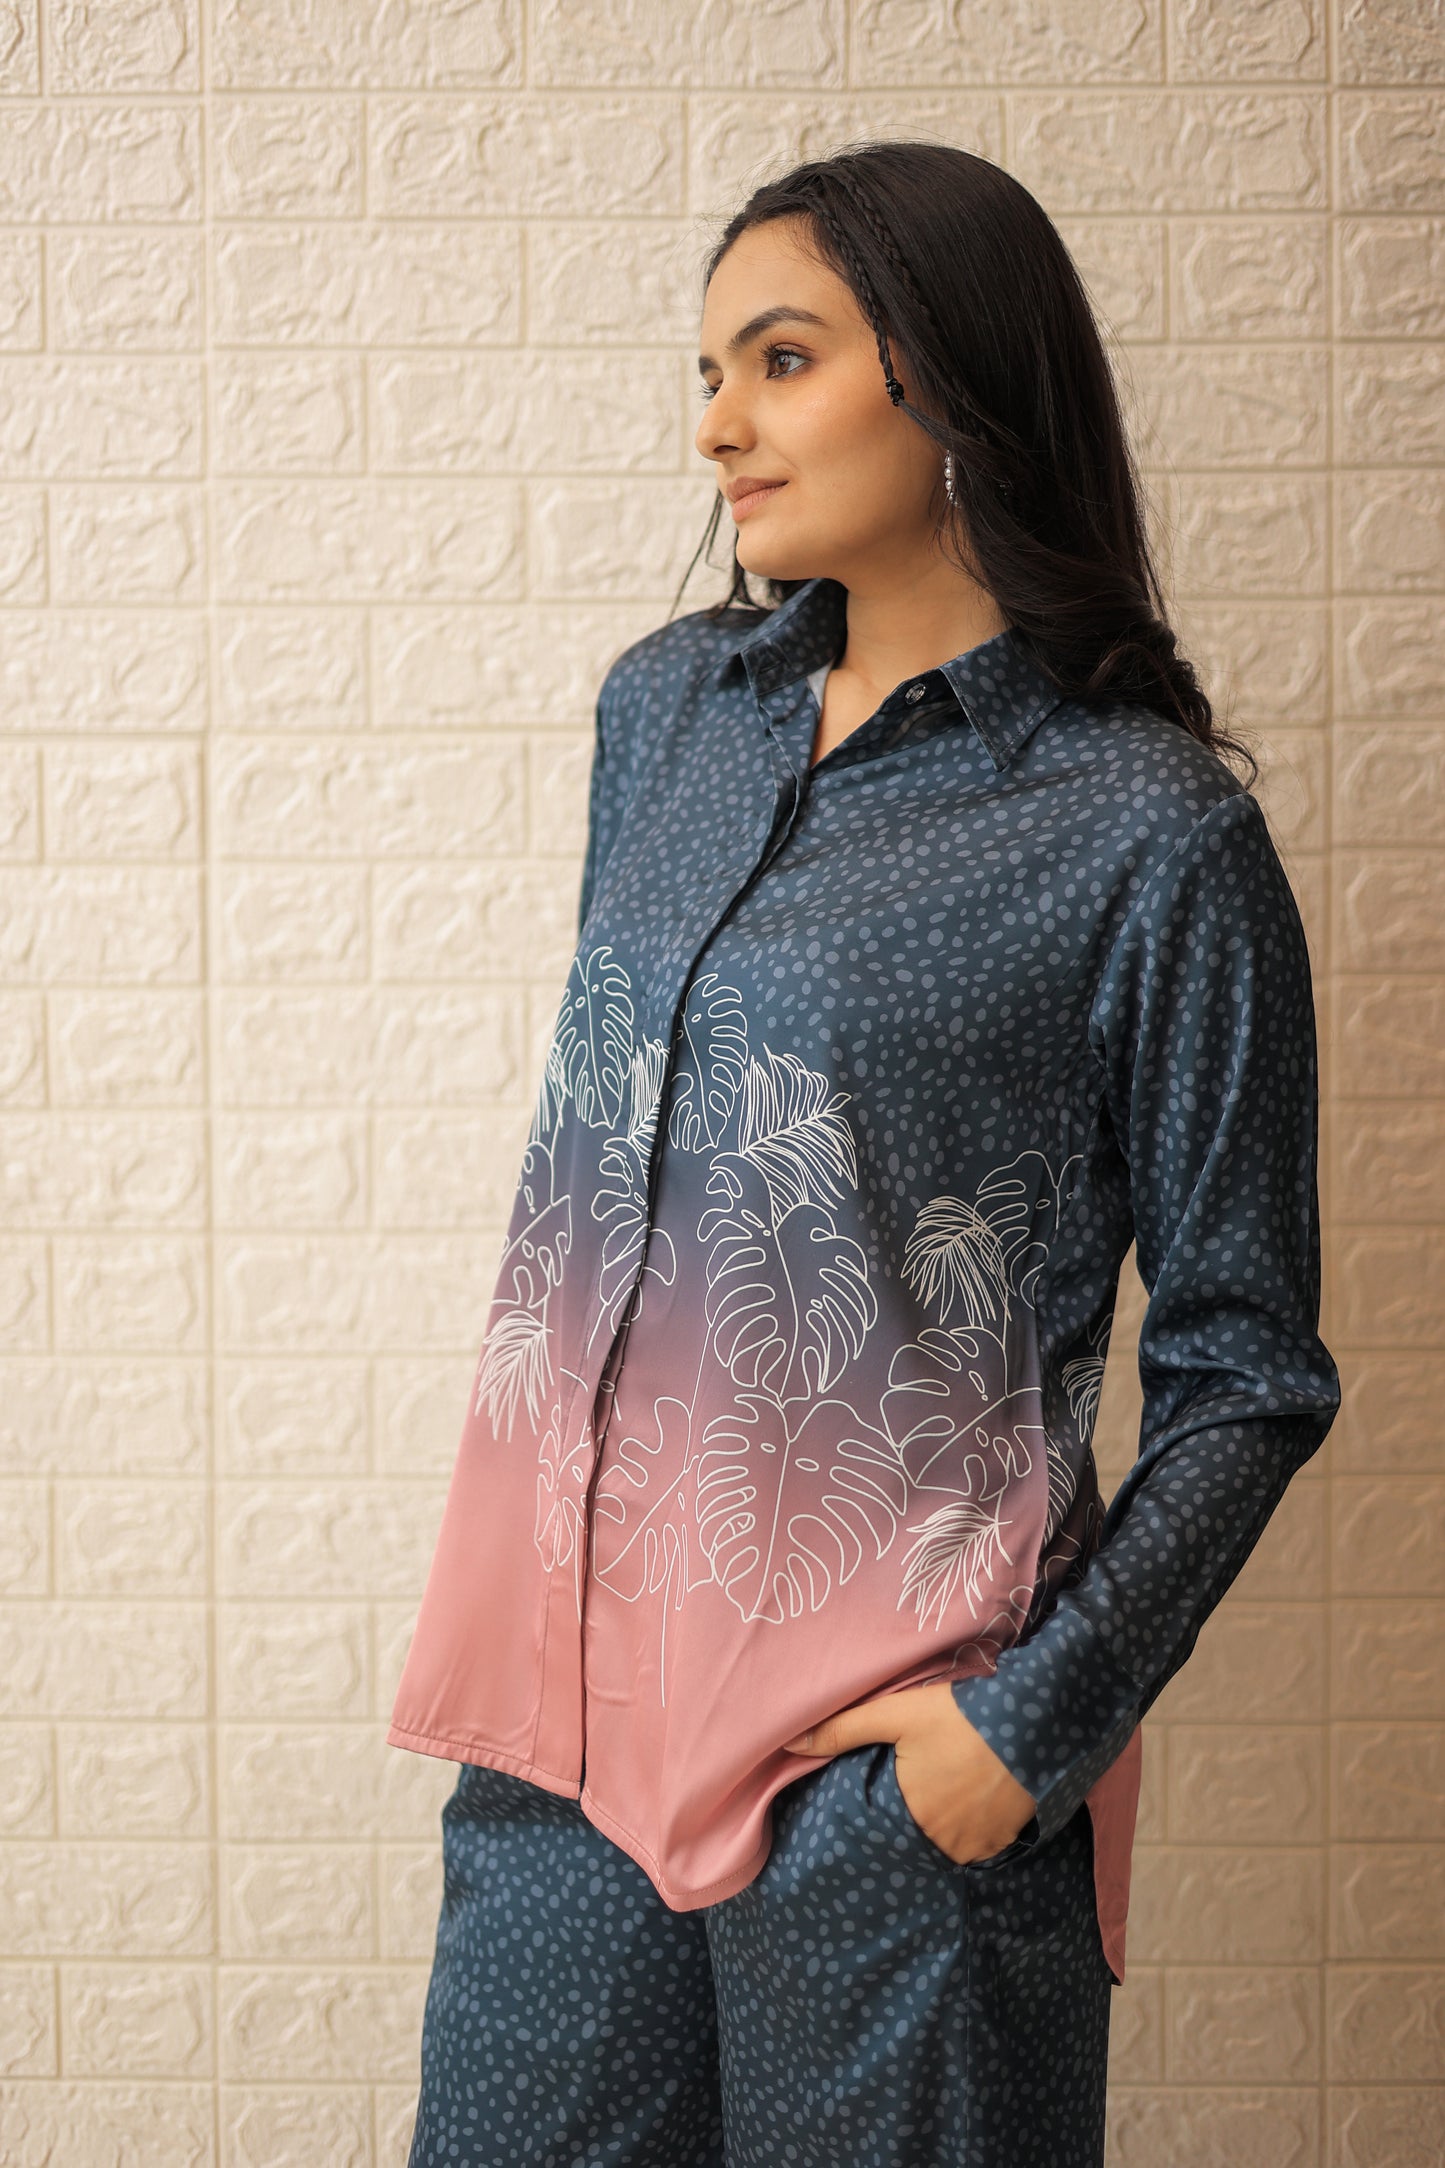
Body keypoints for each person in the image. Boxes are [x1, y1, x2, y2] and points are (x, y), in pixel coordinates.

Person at [391, 141, 1341, 2168]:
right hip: (564, 1741)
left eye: (781, 358)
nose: (715, 424)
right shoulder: (669, 713)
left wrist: (1028, 1729)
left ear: (950, 375)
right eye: (709, 370)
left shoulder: (1151, 836)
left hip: (882, 1778)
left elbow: (1249, 1366)